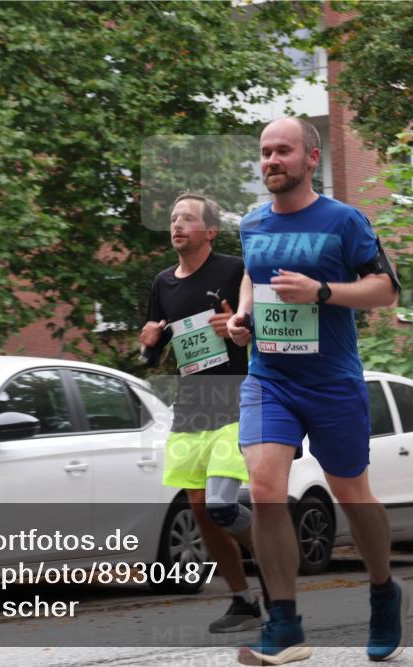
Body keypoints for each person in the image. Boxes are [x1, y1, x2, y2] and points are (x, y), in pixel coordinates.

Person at [226, 118, 405, 665]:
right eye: (265, 152)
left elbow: (387, 291)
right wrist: (243, 314)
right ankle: (283, 623)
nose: (272, 161)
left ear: (311, 156)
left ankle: (382, 592)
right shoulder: (252, 224)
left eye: (283, 151)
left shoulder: (344, 220)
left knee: (352, 495)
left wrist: (321, 291)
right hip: (270, 379)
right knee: (263, 488)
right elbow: (254, 276)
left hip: (332, 382)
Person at [140, 192, 268, 633]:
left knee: (221, 505)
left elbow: (259, 330)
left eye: (187, 219)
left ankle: (275, 558)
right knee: (199, 508)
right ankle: (243, 600)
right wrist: (149, 343)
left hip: (233, 401)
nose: (176, 225)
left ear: (210, 231)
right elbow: (155, 356)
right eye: (173, 218)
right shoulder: (163, 284)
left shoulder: (234, 270)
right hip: (191, 408)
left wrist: (239, 329)